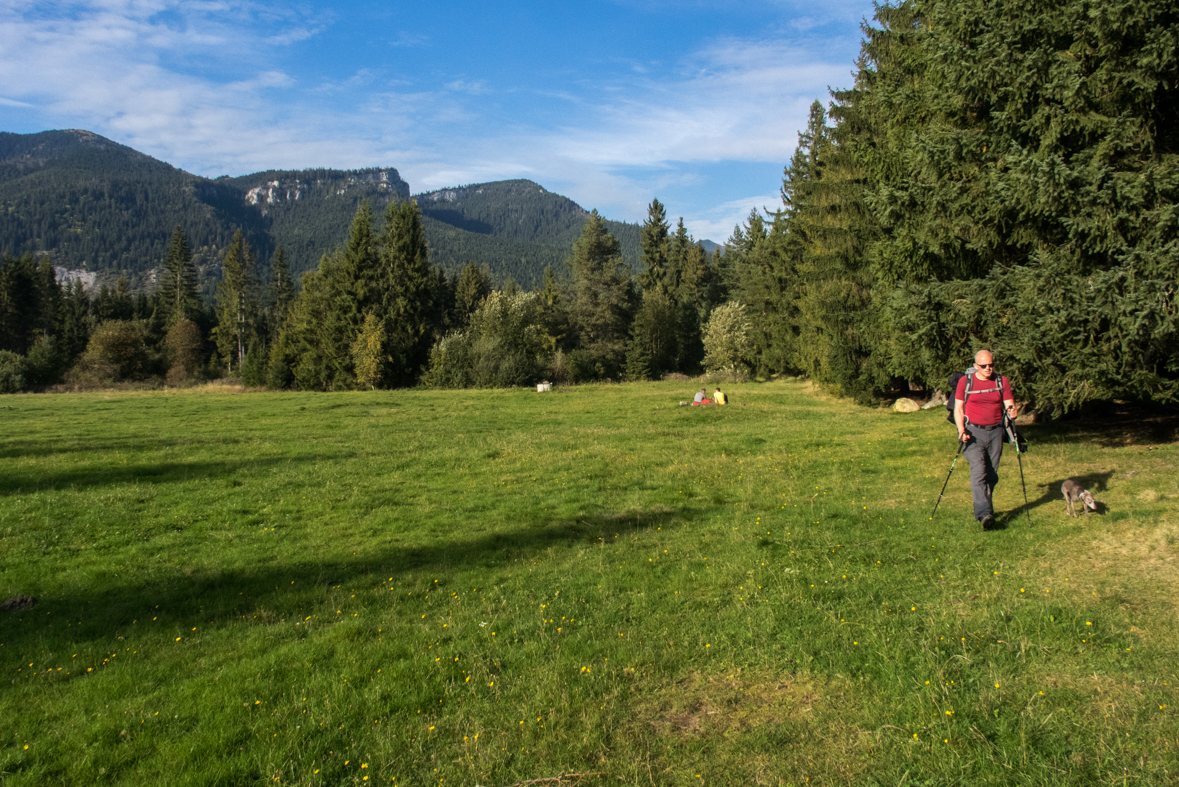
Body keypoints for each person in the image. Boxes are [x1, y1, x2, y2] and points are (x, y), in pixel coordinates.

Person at [954, 350, 1017, 530]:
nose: (988, 368)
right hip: (973, 432)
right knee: (978, 471)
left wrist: (1013, 412)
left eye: (991, 365)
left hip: (996, 432)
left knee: (991, 475)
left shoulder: (1001, 381)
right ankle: (984, 514)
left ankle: (985, 509)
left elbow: (1010, 405)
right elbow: (958, 408)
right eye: (983, 366)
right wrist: (961, 430)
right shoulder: (965, 382)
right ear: (975, 366)